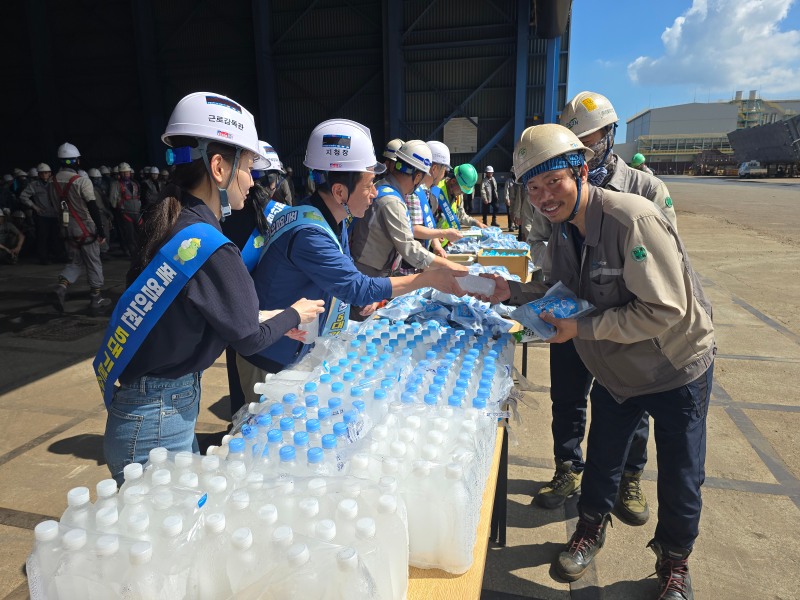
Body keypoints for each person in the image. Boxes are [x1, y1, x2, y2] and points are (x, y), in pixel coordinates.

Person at [475, 123, 714, 599]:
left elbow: (666, 309)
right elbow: (562, 289)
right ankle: (589, 529)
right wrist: (513, 292)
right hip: (616, 370)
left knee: (681, 475)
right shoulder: (564, 229)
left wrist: (581, 330)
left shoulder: (632, 219)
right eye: (533, 188)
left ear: (581, 172)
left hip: (674, 367)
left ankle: (674, 562)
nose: (544, 197)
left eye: (553, 182)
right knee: (603, 458)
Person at [95, 91, 324, 484]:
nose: (252, 181)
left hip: (150, 412)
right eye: (247, 167)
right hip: (158, 422)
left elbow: (199, 314)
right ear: (219, 168)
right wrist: (294, 313)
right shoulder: (210, 245)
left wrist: (271, 316)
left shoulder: (175, 223)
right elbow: (249, 338)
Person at [526, 91, 679, 520]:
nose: (582, 150)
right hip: (569, 313)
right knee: (567, 397)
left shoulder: (645, 189)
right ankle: (567, 468)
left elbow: (664, 262)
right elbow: (537, 240)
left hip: (623, 321)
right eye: (574, 143)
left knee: (630, 401)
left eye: (589, 141)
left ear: (609, 135)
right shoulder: (551, 187)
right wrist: (556, 272)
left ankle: (629, 476)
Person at [238, 119, 465, 402]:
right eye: (369, 185)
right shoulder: (310, 232)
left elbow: (346, 276)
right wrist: (426, 279)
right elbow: (357, 287)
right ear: (339, 192)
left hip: (293, 342)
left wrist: (361, 299)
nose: (374, 193)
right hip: (270, 356)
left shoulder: (329, 218)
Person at [350, 139, 467, 278]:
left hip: (371, 266)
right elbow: (410, 249)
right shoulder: (392, 201)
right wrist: (448, 265)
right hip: (369, 272)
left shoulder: (384, 186)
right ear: (417, 177)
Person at [49, 143, 112, 313]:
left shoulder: (52, 182)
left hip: (66, 228)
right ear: (76, 161)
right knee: (93, 262)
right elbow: (92, 207)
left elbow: (53, 206)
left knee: (75, 261)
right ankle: (96, 298)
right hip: (85, 227)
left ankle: (61, 287)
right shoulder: (82, 181)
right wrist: (100, 230)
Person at [400, 140, 463, 267]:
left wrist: (436, 244)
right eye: (444, 170)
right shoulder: (414, 192)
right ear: (434, 169)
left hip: (420, 258)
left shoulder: (429, 193)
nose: (444, 175)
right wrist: (443, 233)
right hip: (409, 262)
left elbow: (429, 223)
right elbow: (414, 228)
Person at [20, 163, 63, 264]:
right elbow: (23, 196)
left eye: (46, 173)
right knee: (42, 237)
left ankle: (59, 256)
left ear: (50, 173)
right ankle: (43, 258)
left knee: (56, 237)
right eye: (42, 173)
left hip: (56, 215)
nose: (44, 175)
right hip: (42, 216)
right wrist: (34, 207)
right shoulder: (34, 185)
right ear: (38, 174)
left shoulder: (55, 183)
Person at [110, 162, 141, 257]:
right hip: (125, 213)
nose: (125, 174)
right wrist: (118, 208)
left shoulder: (134, 183)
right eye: (123, 172)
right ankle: (133, 254)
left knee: (140, 234)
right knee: (129, 235)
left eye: (127, 172)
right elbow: (113, 199)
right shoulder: (116, 184)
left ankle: (140, 252)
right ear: (120, 173)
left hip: (137, 213)